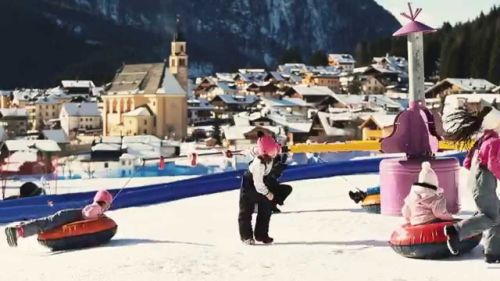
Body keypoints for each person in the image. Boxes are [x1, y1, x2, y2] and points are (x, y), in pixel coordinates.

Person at [443, 106, 500, 263]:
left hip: (474, 180)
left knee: (497, 214)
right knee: (491, 216)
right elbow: (493, 164)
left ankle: (493, 252)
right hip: (484, 181)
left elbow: (467, 163)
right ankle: (456, 231)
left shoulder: (481, 140)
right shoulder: (494, 141)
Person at [4, 190, 113, 247]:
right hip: (69, 215)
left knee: (46, 223)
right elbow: (88, 214)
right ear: (103, 202)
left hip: (69, 215)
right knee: (46, 224)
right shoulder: (96, 207)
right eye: (107, 205)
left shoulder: (95, 206)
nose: (107, 208)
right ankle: (18, 231)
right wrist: (99, 216)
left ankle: (20, 229)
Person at [238, 133, 280, 245]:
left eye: (274, 150)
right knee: (246, 211)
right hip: (250, 184)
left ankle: (261, 235)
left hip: (263, 181)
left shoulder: (265, 152)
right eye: (272, 151)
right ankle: (246, 237)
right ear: (265, 153)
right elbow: (258, 184)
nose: (274, 154)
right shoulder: (258, 164)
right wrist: (267, 193)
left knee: (266, 210)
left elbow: (252, 150)